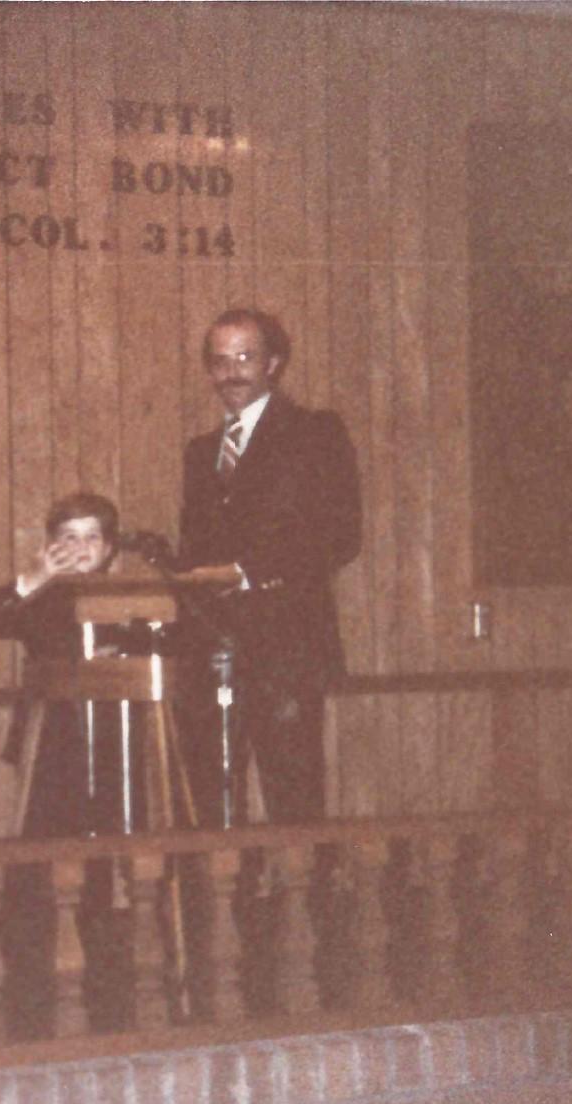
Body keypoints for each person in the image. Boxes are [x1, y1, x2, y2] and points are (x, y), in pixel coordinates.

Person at [173, 308, 361, 825]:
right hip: (212, 653)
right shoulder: (201, 452)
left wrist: (249, 574)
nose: (231, 372)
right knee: (207, 799)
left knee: (294, 795)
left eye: (245, 358)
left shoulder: (314, 433)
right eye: (219, 361)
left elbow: (341, 537)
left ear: (273, 363)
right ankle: (224, 907)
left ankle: (310, 907)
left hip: (287, 649)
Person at [0, 491, 147, 839]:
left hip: (114, 734)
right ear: (52, 545)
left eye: (92, 537)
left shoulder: (128, 597)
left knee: (115, 826)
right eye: (70, 537)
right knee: (49, 833)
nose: (81, 546)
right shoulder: (42, 597)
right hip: (53, 736)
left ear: (109, 547)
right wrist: (36, 578)